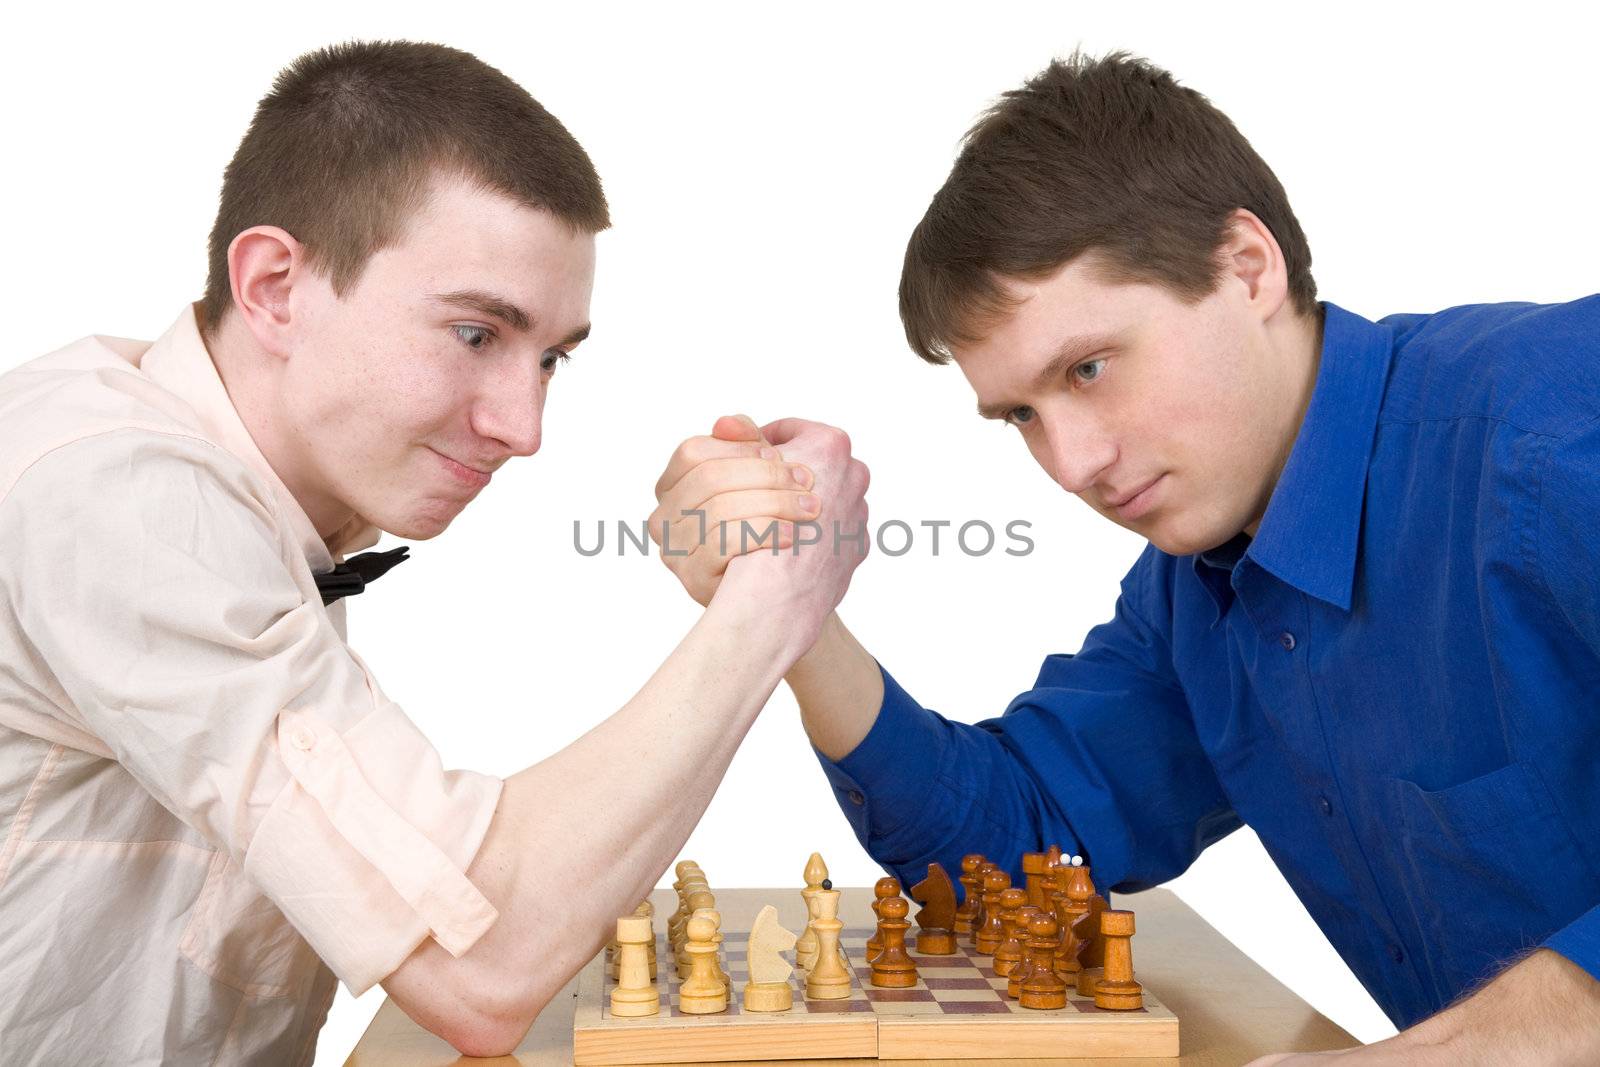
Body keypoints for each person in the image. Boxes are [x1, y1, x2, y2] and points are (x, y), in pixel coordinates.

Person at [655, 50, 1600, 1064]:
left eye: (1089, 367)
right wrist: (793, 607)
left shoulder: (1554, 418)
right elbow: (1015, 848)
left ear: (1247, 267)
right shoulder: (1198, 595)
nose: (1071, 462)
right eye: (1022, 412)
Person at [0, 40, 864, 1063]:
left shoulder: (247, 483)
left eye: (551, 357)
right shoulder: (117, 493)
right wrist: (771, 606)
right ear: (276, 285)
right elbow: (479, 961)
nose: (524, 424)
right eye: (473, 335)